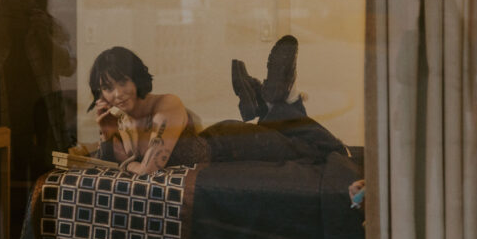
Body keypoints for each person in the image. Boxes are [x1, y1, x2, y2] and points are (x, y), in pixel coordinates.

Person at [88, 36, 349, 175]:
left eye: (123, 82)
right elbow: (113, 164)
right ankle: (270, 98)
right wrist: (107, 131)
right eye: (108, 88)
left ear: (136, 77)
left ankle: (276, 98)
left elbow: (148, 169)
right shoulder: (121, 120)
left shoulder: (166, 105)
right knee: (280, 125)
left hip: (235, 143)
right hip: (233, 151)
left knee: (316, 149)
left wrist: (128, 165)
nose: (118, 94)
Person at [0, 0, 76, 208]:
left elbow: (69, 66)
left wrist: (44, 36)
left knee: (46, 200)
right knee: (9, 203)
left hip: (44, 132)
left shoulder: (48, 24)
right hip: (4, 129)